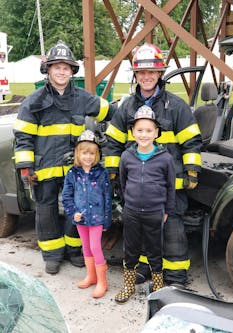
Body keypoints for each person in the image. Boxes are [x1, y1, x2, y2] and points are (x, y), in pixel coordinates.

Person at [13, 40, 116, 275]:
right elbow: (23, 137)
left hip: (75, 168)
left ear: (72, 71)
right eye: (56, 67)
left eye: (66, 67)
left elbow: (112, 112)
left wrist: (136, 121)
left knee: (77, 208)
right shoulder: (34, 102)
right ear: (48, 70)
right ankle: (52, 255)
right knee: (46, 211)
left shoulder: (83, 98)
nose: (61, 72)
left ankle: (74, 251)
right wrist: (26, 167)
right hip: (45, 168)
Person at [105, 42, 202, 287]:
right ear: (136, 75)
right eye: (141, 72)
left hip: (169, 185)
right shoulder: (126, 106)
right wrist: (113, 172)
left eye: (151, 72)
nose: (146, 77)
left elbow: (191, 140)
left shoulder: (175, 106)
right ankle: (143, 269)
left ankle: (176, 277)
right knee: (138, 231)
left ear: (160, 74)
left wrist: (192, 170)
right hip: (137, 187)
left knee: (172, 231)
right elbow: (113, 141)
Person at [115, 106, 176, 304]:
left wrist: (167, 210)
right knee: (130, 250)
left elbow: (170, 187)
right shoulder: (126, 157)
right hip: (132, 212)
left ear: (156, 133)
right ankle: (128, 286)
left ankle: (158, 287)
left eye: (149, 130)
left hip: (155, 213)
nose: (144, 134)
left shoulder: (165, 159)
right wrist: (128, 204)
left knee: (155, 250)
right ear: (132, 132)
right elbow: (123, 183)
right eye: (139, 130)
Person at [62, 130, 112, 298]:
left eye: (91, 153)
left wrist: (106, 220)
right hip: (81, 218)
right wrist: (73, 212)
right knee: (85, 247)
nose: (88, 157)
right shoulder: (72, 173)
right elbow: (67, 196)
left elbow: (107, 197)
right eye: (84, 153)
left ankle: (102, 281)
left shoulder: (101, 172)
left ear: (96, 154)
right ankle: (91, 276)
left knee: (95, 247)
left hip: (97, 217)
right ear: (78, 153)